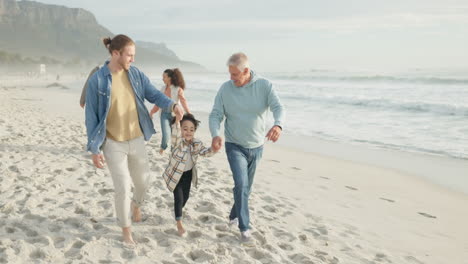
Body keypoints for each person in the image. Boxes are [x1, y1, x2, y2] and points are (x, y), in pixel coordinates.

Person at [85, 34, 184, 245]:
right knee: (123, 187)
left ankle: (136, 206)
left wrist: (173, 105)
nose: (133, 59)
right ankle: (126, 231)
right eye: (129, 55)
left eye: (133, 55)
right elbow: (91, 116)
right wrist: (94, 149)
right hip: (112, 143)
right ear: (115, 53)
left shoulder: (136, 74)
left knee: (143, 182)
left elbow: (154, 95)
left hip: (137, 139)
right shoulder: (99, 80)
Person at [209, 52, 284, 243]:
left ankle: (233, 215)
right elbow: (216, 114)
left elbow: (278, 107)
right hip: (234, 144)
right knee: (241, 184)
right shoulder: (226, 89)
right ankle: (244, 227)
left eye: (235, 74)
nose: (231, 78)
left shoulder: (264, 86)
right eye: (230, 74)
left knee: (246, 188)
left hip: (257, 146)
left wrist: (278, 124)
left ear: (246, 71)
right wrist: (216, 134)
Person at [162, 113, 216, 236]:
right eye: (185, 128)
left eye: (191, 129)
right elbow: (175, 131)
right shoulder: (177, 142)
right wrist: (177, 120)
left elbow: (204, 152)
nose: (188, 132)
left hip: (188, 175)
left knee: (185, 198)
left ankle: (177, 212)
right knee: (179, 198)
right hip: (176, 176)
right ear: (180, 129)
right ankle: (179, 223)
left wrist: (213, 149)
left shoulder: (196, 143)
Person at [149, 68, 190, 154]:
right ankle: (163, 147)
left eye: (164, 77)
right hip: (164, 114)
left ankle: (173, 152)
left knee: (175, 136)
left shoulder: (178, 89)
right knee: (166, 135)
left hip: (175, 116)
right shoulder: (162, 89)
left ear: (170, 78)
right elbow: (158, 102)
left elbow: (183, 101)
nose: (162, 79)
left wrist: (188, 112)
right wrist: (152, 112)